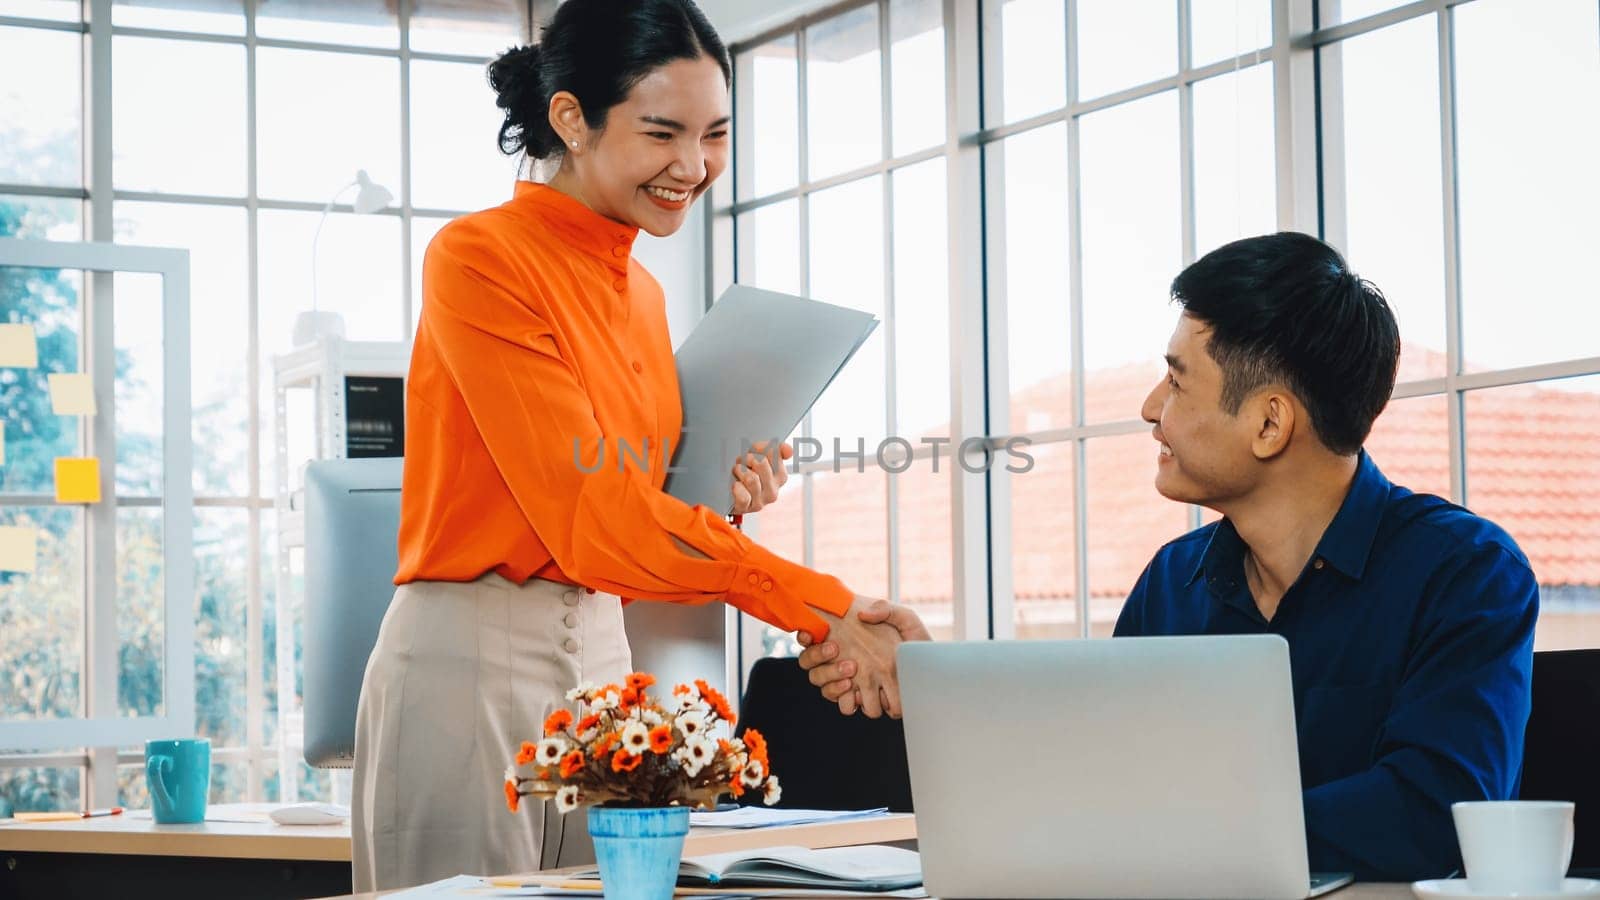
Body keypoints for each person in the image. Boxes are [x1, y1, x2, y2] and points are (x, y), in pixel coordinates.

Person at [351, 1, 903, 890]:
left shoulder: (642, 295)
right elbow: (591, 519)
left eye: (716, 133)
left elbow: (623, 509)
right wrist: (823, 608)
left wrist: (712, 497)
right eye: (662, 132)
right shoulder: (479, 257)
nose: (694, 166)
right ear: (571, 118)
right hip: (471, 662)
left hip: (610, 665)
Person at [799, 233, 1538, 881]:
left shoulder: (1466, 574)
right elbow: (1092, 778)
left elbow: (1436, 811)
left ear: (1270, 422)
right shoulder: (1171, 583)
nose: (1151, 406)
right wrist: (932, 689)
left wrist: (1173, 832)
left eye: (1179, 380)